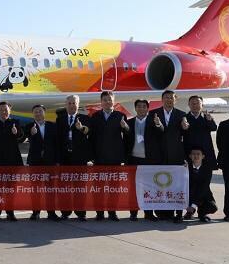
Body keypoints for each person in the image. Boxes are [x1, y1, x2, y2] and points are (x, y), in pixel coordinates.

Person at [89, 91, 128, 221]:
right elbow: (91, 138)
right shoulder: (95, 116)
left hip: (115, 158)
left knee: (114, 188)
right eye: (105, 100)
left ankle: (112, 212)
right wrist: (92, 157)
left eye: (110, 99)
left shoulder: (120, 116)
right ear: (101, 102)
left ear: (114, 101)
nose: (107, 102)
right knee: (99, 188)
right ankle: (99, 213)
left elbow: (127, 135)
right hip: (99, 158)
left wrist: (125, 127)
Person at [55, 95, 93, 221]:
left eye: (74, 103)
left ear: (78, 104)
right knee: (64, 187)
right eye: (70, 103)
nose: (72, 105)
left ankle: (81, 213)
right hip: (65, 158)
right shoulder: (60, 119)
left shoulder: (85, 118)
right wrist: (58, 159)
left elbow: (89, 132)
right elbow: (58, 140)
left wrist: (81, 128)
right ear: (66, 105)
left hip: (79, 158)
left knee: (80, 187)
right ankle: (65, 212)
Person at [153, 89, 188, 223]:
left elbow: (185, 135)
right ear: (162, 100)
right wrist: (158, 124)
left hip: (176, 155)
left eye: (171, 98)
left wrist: (185, 128)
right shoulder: (154, 114)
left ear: (175, 100)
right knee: (161, 184)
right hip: (159, 155)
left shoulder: (182, 115)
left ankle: (178, 213)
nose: (169, 100)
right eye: (166, 97)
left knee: (176, 185)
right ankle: (162, 212)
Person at [0, 101, 25, 222]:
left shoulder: (15, 122)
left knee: (10, 189)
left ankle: (10, 212)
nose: (4, 112)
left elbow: (21, 138)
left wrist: (16, 133)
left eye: (6, 110)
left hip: (12, 162)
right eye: (1, 110)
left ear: (10, 110)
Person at [125, 99, 161, 221]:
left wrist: (158, 124)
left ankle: (149, 213)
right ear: (135, 108)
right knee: (133, 188)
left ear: (147, 109)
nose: (141, 109)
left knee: (149, 187)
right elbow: (125, 141)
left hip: (149, 160)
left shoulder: (153, 121)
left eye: (144, 106)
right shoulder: (129, 122)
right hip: (133, 159)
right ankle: (133, 212)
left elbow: (161, 132)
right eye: (139, 106)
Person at [24, 104, 59, 221]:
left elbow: (57, 144)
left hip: (50, 161)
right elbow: (22, 136)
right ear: (33, 114)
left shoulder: (52, 125)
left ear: (44, 112)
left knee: (50, 188)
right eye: (35, 112)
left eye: (40, 111)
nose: (38, 113)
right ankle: (35, 212)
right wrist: (31, 134)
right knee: (35, 189)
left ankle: (51, 212)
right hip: (35, 161)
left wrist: (57, 161)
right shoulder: (29, 126)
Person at [183, 95, 217, 169]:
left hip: (205, 152)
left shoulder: (206, 117)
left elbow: (214, 128)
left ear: (202, 105)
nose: (195, 105)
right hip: (189, 152)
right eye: (193, 103)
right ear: (189, 105)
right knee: (189, 174)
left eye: (198, 103)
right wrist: (183, 127)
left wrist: (210, 120)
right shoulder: (184, 118)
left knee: (206, 173)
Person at [184, 146, 217, 223]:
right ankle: (189, 212)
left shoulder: (207, 169)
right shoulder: (185, 167)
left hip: (203, 193)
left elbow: (204, 186)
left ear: (203, 156)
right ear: (190, 156)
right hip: (189, 193)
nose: (196, 156)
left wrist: (193, 205)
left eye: (198, 154)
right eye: (193, 154)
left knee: (213, 207)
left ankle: (201, 213)